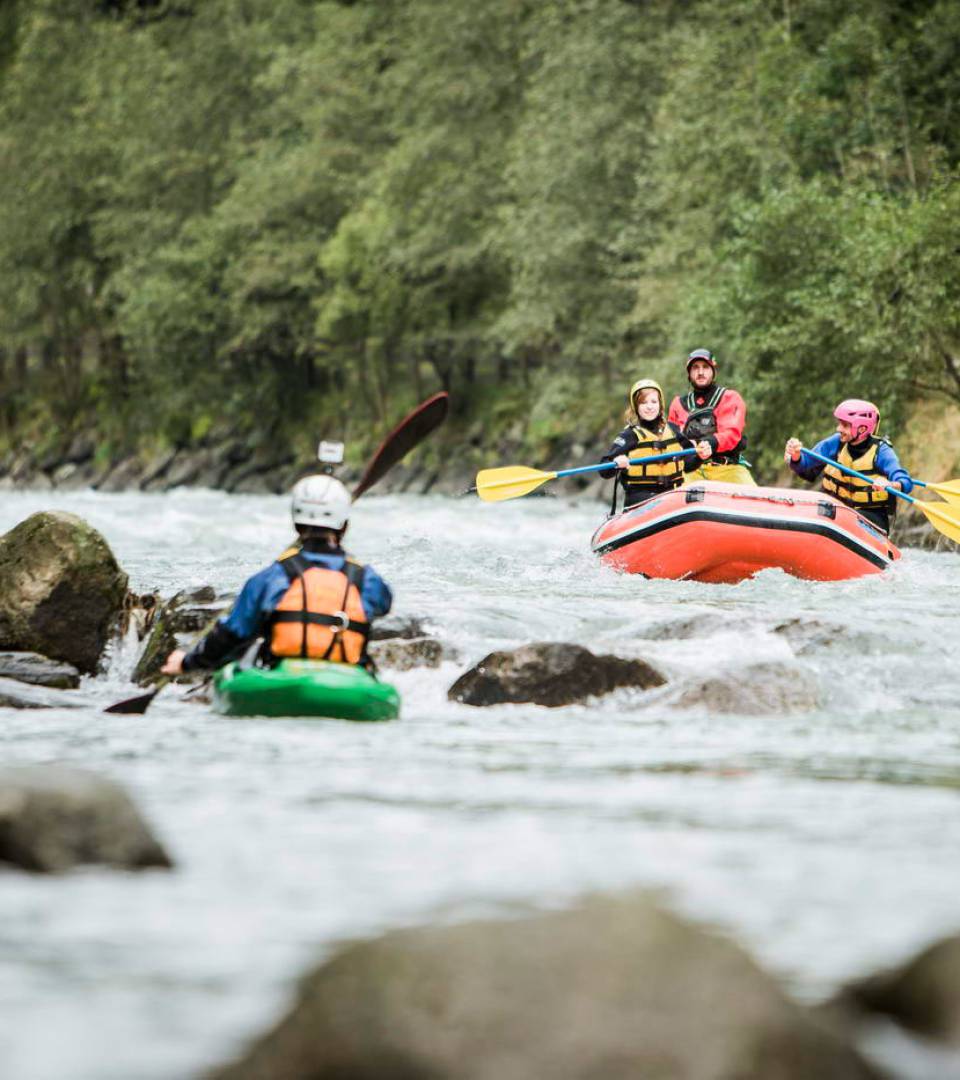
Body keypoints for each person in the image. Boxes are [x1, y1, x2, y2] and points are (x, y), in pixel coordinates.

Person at [161, 474, 392, 677]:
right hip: (348, 681)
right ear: (344, 527)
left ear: (296, 525)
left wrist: (186, 662)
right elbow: (384, 604)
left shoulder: (271, 578)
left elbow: (231, 634)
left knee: (248, 644)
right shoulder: (366, 580)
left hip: (281, 677)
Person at [784, 399, 912, 534]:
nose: (839, 429)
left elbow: (906, 482)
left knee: (846, 520)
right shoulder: (835, 442)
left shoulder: (882, 451)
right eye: (840, 424)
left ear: (862, 428)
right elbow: (805, 465)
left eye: (845, 425)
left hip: (870, 517)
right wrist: (796, 456)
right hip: (835, 509)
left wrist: (891, 484)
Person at [667, 348, 755, 486]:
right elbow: (673, 443)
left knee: (753, 499)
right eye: (695, 368)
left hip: (728, 468)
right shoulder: (678, 404)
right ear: (689, 374)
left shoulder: (730, 398)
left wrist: (710, 443)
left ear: (713, 372)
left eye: (705, 367)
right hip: (692, 471)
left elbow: (732, 433)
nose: (700, 372)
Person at [601, 378, 692, 508]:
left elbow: (690, 463)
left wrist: (701, 455)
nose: (649, 406)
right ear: (636, 407)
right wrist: (616, 463)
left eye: (654, 402)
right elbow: (604, 470)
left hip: (672, 495)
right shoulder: (629, 435)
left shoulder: (673, 430)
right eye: (643, 403)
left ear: (660, 404)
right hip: (640, 500)